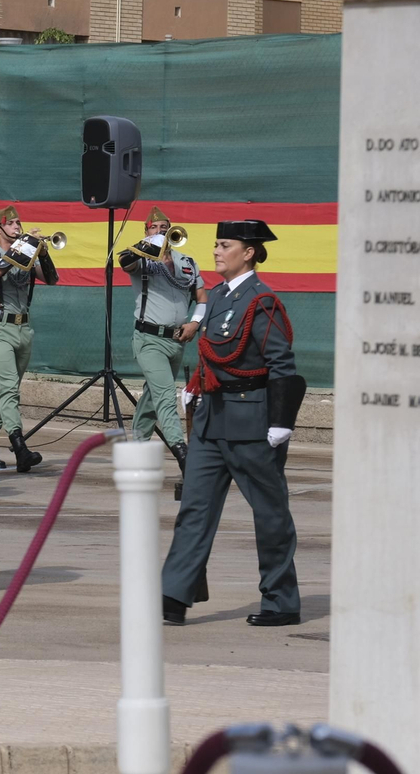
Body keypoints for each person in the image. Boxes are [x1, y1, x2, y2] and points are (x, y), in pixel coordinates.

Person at [162, 220, 305, 628]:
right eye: (216, 244)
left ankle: (281, 601)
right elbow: (212, 352)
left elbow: (281, 364)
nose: (217, 251)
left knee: (270, 513)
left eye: (226, 245)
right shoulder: (220, 296)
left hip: (251, 422)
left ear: (250, 253)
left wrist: (281, 421)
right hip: (211, 420)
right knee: (194, 509)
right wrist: (194, 386)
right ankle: (174, 594)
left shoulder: (263, 301)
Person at [118, 207, 207, 485]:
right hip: (149, 340)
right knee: (166, 395)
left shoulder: (187, 262)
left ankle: (137, 453)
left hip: (177, 340)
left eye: (164, 227)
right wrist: (147, 246)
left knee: (152, 399)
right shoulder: (140, 259)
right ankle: (184, 456)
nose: (160, 231)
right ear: (146, 231)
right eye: (154, 227)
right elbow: (124, 262)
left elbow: (202, 297)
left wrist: (194, 323)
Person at [0, 206, 58, 473]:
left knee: (6, 391)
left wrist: (42, 253)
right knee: (9, 387)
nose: (16, 227)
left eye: (18, 223)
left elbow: (53, 279)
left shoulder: (26, 256)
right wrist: (21, 248)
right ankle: (19, 446)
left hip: (24, 329)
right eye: (11, 224)